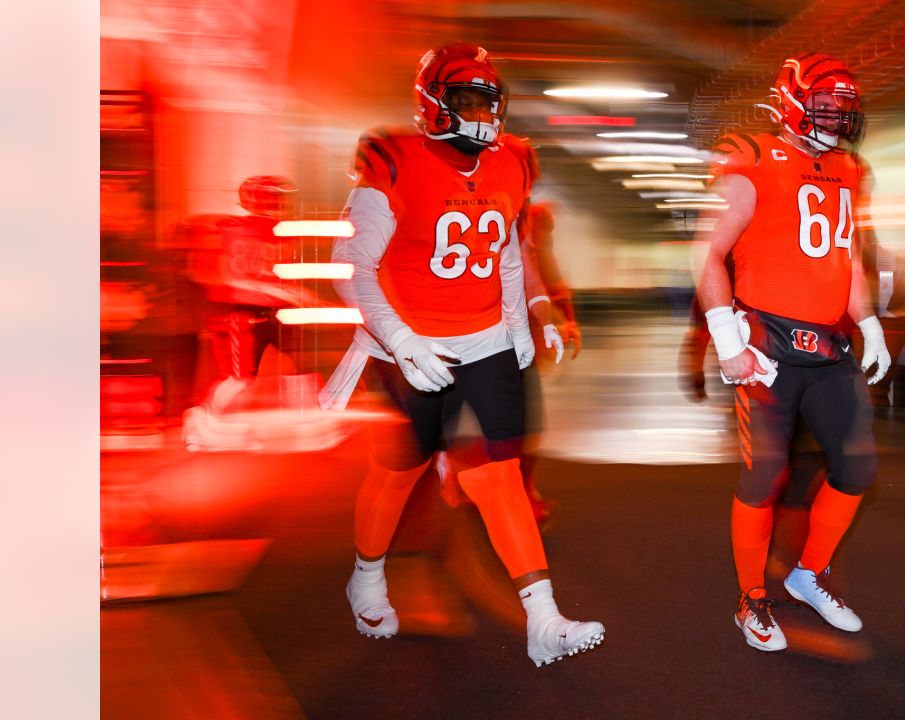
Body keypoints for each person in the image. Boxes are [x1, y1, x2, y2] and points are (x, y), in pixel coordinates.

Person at [317, 43, 603, 667]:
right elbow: (352, 266)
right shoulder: (393, 158)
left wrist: (531, 314)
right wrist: (401, 339)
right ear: (432, 104)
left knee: (499, 477)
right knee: (399, 474)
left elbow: (504, 250)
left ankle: (544, 619)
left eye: (489, 101)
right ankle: (366, 578)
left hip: (485, 337)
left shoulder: (513, 163)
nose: (482, 115)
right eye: (467, 101)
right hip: (409, 342)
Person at [696, 53, 890, 652]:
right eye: (825, 105)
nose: (835, 119)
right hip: (768, 342)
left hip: (829, 343)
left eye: (843, 109)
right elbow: (706, 254)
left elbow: (845, 256)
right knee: (764, 477)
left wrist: (871, 321)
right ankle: (751, 598)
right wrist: (727, 340)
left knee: (856, 469)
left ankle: (807, 576)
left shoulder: (850, 169)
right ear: (792, 101)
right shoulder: (751, 156)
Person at [183, 175, 315, 415]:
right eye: (273, 198)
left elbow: (278, 274)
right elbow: (220, 275)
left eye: (279, 198)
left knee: (302, 364)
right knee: (241, 377)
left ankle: (309, 416)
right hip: (241, 309)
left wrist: (293, 293)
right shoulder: (232, 228)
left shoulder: (280, 231)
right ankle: (203, 415)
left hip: (275, 309)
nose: (278, 204)